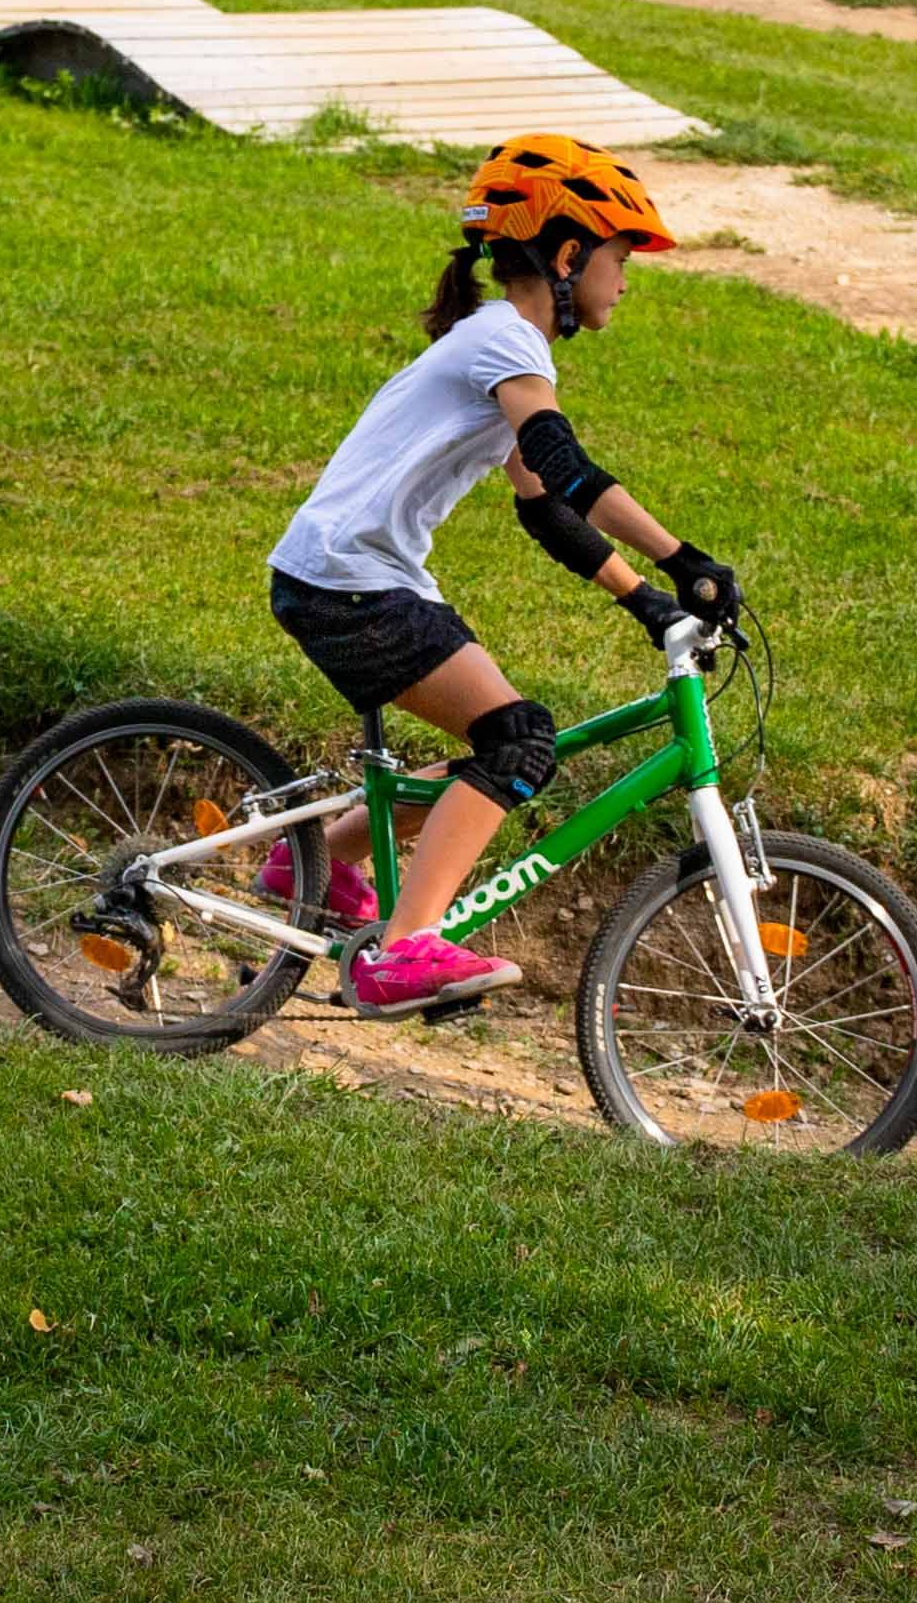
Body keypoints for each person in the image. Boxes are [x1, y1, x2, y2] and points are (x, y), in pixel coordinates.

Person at [261, 133, 743, 1015]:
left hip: (349, 575)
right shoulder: (504, 345)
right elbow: (563, 463)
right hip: (348, 581)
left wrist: (647, 602)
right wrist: (685, 558)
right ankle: (403, 948)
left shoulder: (501, 344)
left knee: (510, 744)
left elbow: (544, 507)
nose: (627, 277)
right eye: (620, 254)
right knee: (521, 740)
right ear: (567, 256)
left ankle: (316, 860)